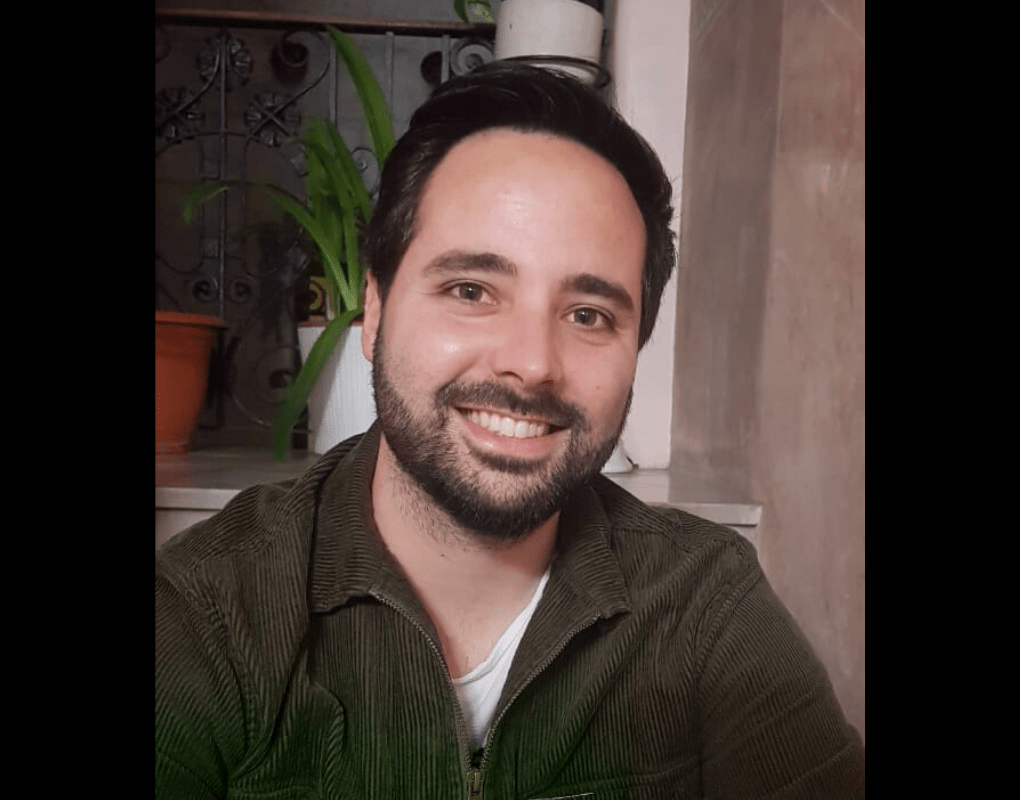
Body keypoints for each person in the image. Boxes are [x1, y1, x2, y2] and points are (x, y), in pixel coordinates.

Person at [156, 62, 864, 798]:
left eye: (588, 314)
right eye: (471, 290)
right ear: (374, 310)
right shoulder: (209, 612)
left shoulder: (705, 605)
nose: (531, 363)